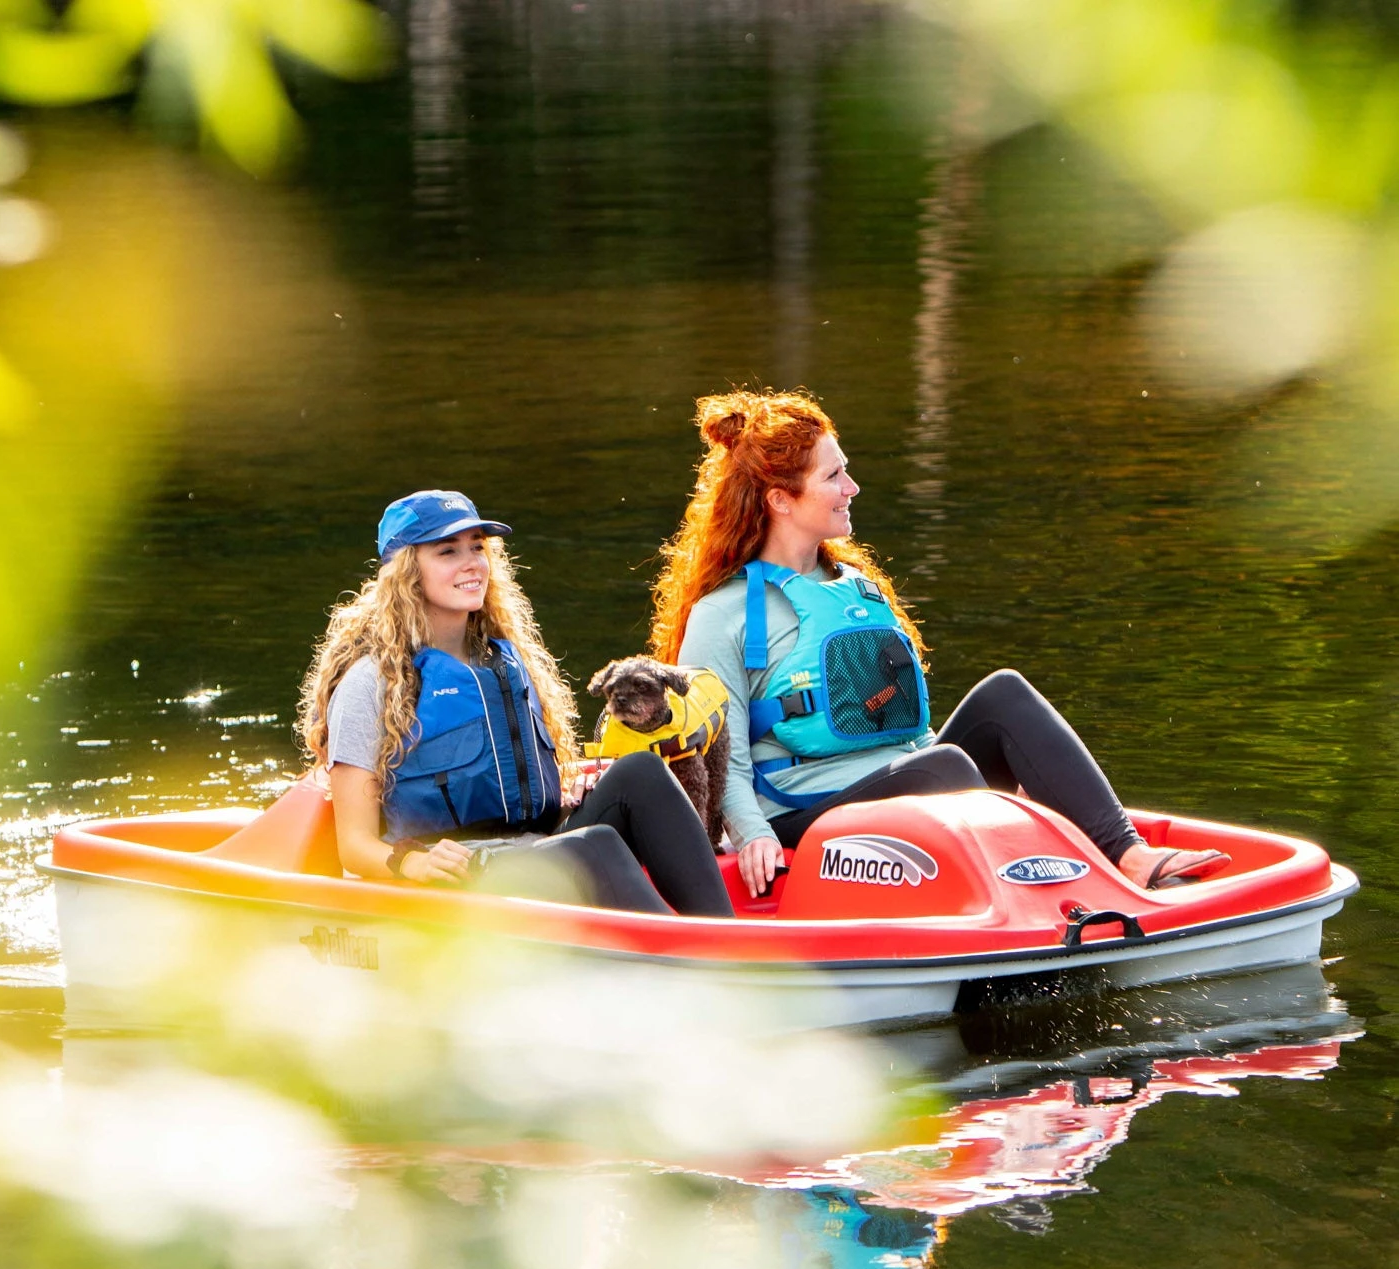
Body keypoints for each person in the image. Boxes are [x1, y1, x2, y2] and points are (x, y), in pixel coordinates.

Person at [648, 390, 1230, 899]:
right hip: (805, 814)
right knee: (945, 767)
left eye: (846, 470)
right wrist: (753, 834)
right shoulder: (722, 614)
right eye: (833, 477)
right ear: (780, 499)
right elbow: (720, 757)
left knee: (1003, 696)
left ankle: (1128, 855)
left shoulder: (857, 588)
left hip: (912, 773)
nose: (852, 487)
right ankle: (1016, 879)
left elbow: (904, 723)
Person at [298, 490, 734, 917]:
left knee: (642, 772)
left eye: (477, 547)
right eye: (448, 551)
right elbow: (353, 846)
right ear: (406, 572)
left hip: (533, 846)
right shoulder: (369, 683)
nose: (472, 562)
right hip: (458, 871)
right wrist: (412, 862)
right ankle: (689, 954)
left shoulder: (502, 660)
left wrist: (566, 800)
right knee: (594, 846)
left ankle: (724, 935)